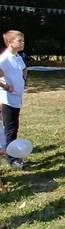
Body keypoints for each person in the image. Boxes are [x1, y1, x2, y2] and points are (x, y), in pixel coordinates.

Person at [0, 30, 28, 168]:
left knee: (14, 126)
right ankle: (12, 159)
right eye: (19, 41)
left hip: (16, 96)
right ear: (10, 42)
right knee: (10, 128)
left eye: (23, 40)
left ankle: (13, 155)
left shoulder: (17, 56)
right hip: (7, 99)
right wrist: (5, 86)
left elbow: (23, 69)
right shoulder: (4, 58)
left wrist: (23, 79)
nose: (23, 43)